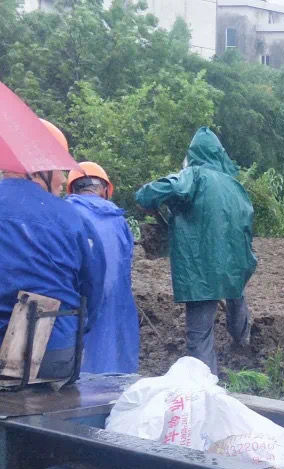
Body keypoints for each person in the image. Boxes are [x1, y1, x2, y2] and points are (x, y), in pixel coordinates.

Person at [135, 127, 256, 374]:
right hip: (235, 261)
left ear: (194, 154)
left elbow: (156, 192)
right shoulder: (234, 186)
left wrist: (145, 197)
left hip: (202, 267)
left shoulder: (193, 176)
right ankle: (243, 344)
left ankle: (205, 385)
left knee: (199, 335)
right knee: (235, 295)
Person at [0, 120, 105, 380]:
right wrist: (76, 329)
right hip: (55, 353)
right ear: (40, 169)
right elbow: (92, 289)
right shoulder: (73, 218)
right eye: (59, 169)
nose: (62, 179)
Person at [65, 161, 139, 374]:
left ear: (72, 188)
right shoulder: (119, 219)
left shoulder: (66, 212)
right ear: (105, 189)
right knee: (115, 360)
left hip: (80, 304)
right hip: (119, 303)